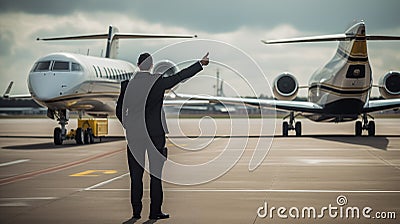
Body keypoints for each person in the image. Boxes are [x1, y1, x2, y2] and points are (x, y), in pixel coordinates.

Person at [117, 52, 209, 220]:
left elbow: (120, 111)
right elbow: (180, 76)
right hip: (155, 134)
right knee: (155, 175)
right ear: (151, 65)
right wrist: (200, 64)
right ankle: (155, 211)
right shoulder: (157, 82)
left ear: (138, 65)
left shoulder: (127, 85)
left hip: (134, 135)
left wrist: (128, 126)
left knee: (135, 176)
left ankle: (136, 212)